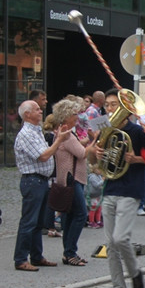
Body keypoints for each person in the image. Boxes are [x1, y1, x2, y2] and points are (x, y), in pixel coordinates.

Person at [88, 89, 145, 288]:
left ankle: (135, 272)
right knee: (110, 244)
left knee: (120, 238)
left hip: (130, 189)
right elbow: (90, 159)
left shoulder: (136, 131)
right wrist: (95, 153)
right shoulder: (104, 129)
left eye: (113, 105)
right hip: (110, 187)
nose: (109, 109)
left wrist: (134, 158)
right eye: (107, 105)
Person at [13, 98, 70, 271]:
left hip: (41, 180)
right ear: (27, 114)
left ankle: (36, 256)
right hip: (33, 181)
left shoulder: (36, 131)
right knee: (29, 221)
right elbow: (43, 156)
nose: (41, 111)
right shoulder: (26, 134)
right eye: (37, 109)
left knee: (38, 223)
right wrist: (59, 141)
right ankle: (21, 259)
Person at [51, 98, 94, 266]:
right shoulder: (67, 134)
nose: (78, 116)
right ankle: (70, 252)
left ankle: (68, 252)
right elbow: (82, 153)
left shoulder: (67, 132)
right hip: (72, 179)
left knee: (70, 216)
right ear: (66, 116)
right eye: (75, 114)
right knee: (80, 214)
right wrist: (95, 140)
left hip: (70, 178)